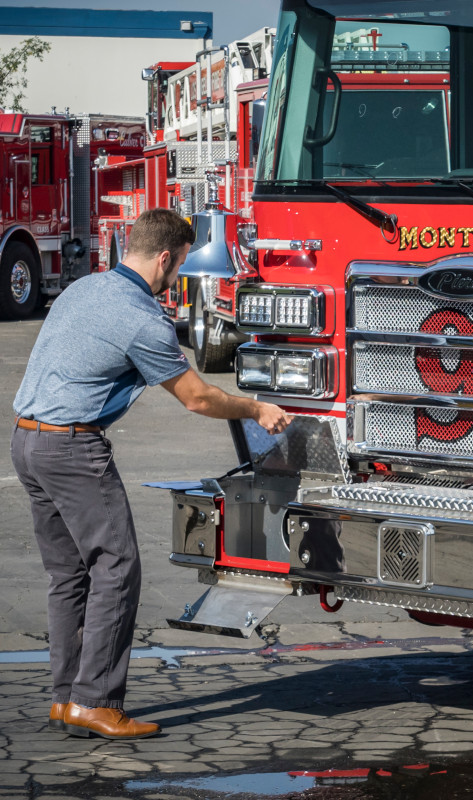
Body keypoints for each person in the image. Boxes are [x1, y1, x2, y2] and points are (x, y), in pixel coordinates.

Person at [10, 208, 290, 740]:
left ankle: (67, 699)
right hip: (72, 450)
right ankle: (97, 701)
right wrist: (256, 408)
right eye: (179, 266)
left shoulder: (84, 289)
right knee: (117, 568)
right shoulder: (140, 316)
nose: (175, 279)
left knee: (69, 575)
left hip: (27, 441)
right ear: (164, 257)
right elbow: (198, 398)